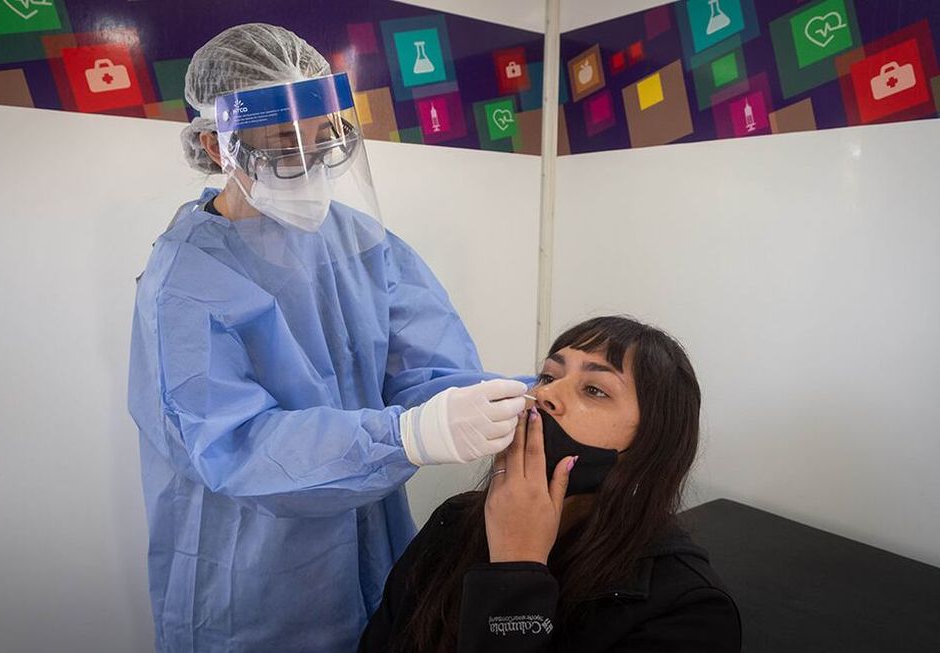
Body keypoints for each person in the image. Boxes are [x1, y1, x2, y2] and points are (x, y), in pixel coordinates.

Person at [127, 23, 527, 652]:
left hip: (374, 550)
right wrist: (406, 435)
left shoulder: (359, 243)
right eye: (286, 143)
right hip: (255, 582)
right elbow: (238, 447)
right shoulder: (185, 283)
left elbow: (425, 370)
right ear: (214, 144)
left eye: (327, 138)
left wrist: (523, 398)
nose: (311, 163)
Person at [360, 316, 742, 652]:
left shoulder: (689, 610)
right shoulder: (455, 522)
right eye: (548, 376)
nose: (543, 395)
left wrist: (516, 571)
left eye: (594, 389)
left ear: (650, 443)